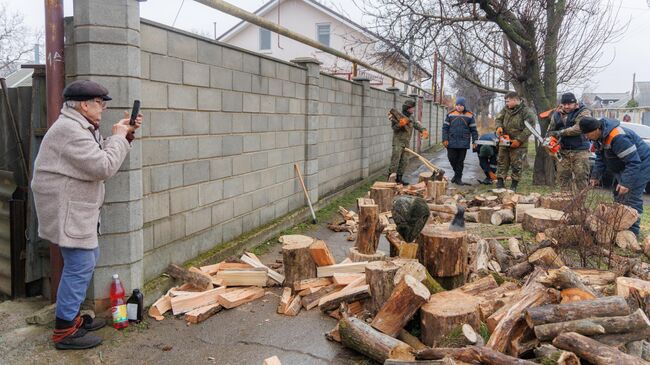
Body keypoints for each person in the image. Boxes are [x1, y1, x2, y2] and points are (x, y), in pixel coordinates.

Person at [31, 80, 143, 350]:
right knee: (80, 264)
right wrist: (117, 137)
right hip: (67, 209)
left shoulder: (80, 126)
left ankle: (71, 318)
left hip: (74, 207)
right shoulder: (69, 130)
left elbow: (98, 153)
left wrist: (124, 135)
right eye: (100, 102)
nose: (103, 108)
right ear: (84, 104)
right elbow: (102, 165)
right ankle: (64, 331)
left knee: (86, 259)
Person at [580, 116, 650, 236]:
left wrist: (626, 183)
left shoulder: (618, 137)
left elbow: (634, 161)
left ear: (596, 129)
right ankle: (619, 226)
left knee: (631, 197)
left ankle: (632, 232)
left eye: (587, 134)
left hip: (641, 164)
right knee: (618, 195)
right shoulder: (599, 138)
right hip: (624, 165)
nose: (586, 137)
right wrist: (595, 176)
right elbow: (600, 159)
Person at [546, 92, 592, 191]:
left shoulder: (583, 112)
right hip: (563, 151)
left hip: (580, 150)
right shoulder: (557, 114)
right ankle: (565, 201)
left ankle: (580, 203)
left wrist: (561, 132)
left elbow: (579, 128)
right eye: (564, 104)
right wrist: (550, 139)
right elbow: (551, 130)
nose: (566, 106)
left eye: (569, 104)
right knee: (563, 178)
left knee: (581, 177)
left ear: (575, 103)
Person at [494, 91, 536, 192]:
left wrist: (519, 140)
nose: (506, 103)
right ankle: (500, 183)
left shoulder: (526, 111)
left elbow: (530, 128)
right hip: (505, 139)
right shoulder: (505, 109)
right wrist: (498, 127)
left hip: (518, 144)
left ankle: (514, 185)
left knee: (516, 164)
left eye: (508, 101)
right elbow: (498, 119)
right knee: (501, 161)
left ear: (515, 100)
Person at [388, 99, 429, 185]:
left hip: (406, 143)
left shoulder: (411, 118)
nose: (413, 109)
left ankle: (399, 179)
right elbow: (394, 128)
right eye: (412, 108)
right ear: (407, 108)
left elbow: (417, 125)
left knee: (404, 161)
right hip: (398, 142)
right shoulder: (397, 116)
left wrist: (423, 130)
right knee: (395, 161)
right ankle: (390, 180)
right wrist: (401, 124)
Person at [442, 97, 478, 185]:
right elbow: (445, 128)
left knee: (460, 161)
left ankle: (458, 178)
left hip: (463, 142)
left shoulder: (470, 115)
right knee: (451, 159)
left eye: (461, 105)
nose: (458, 107)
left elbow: (474, 130)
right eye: (457, 105)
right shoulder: (450, 115)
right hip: (451, 141)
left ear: (464, 106)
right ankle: (457, 175)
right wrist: (445, 139)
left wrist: (475, 141)